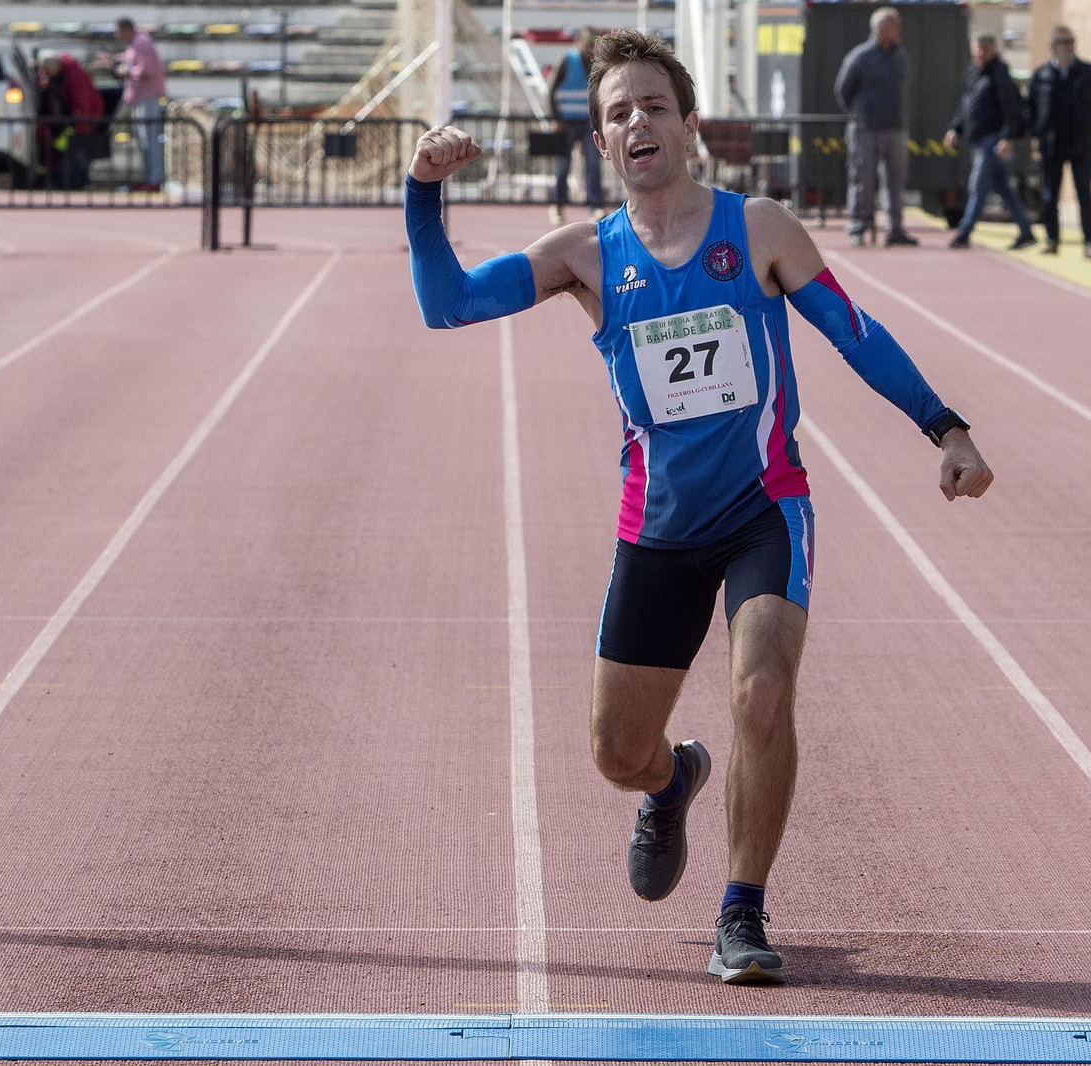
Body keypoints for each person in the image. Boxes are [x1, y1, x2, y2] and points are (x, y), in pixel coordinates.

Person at [405, 29, 993, 985]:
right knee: (615, 753)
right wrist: (423, 189)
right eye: (619, 112)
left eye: (654, 105)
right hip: (660, 530)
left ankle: (743, 912)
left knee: (762, 688)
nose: (639, 121)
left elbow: (857, 333)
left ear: (688, 125)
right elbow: (446, 305)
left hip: (766, 509)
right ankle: (674, 779)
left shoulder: (757, 229)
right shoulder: (584, 257)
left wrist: (946, 427)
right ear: (602, 143)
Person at [1027, 25, 1091, 259]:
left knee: (1085, 194)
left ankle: (1090, 242)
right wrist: (1037, 131)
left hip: (1081, 144)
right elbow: (1030, 107)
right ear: (1052, 46)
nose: (1066, 46)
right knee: (1049, 195)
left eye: (1070, 41)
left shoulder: (1088, 72)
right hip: (1052, 144)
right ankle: (1052, 239)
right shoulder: (1042, 74)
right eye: (1061, 42)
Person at [833, 8, 916, 248]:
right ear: (880, 29)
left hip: (895, 127)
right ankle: (860, 226)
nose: (897, 32)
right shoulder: (860, 56)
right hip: (865, 128)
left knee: (896, 181)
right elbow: (843, 90)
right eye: (893, 27)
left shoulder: (901, 55)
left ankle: (895, 229)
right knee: (862, 180)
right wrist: (861, 114)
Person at [945, 34, 1036, 251]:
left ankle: (964, 232)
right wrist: (955, 128)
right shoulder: (973, 73)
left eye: (985, 48)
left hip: (994, 140)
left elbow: (1011, 108)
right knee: (1004, 188)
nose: (980, 53)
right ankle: (1026, 231)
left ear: (994, 50)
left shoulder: (1000, 73)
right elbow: (966, 105)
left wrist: (1007, 138)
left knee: (978, 186)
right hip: (978, 140)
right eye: (977, 48)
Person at [547, 28, 605, 225]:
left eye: (593, 42)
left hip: (589, 123)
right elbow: (551, 90)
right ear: (579, 41)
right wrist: (555, 118)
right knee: (563, 166)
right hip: (566, 122)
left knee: (593, 165)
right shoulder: (567, 60)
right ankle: (557, 205)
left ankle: (595, 205)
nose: (589, 46)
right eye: (587, 41)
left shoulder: (598, 64)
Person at [110, 17, 168, 192]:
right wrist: (115, 60)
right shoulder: (135, 44)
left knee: (150, 139)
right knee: (144, 141)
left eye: (118, 30)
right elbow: (131, 60)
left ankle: (155, 180)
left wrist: (124, 70)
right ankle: (149, 178)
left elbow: (145, 70)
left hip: (147, 97)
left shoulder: (142, 43)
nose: (116, 34)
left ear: (125, 29)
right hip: (140, 98)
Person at [36, 50, 105, 191]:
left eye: (47, 69)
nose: (45, 73)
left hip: (82, 124)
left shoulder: (75, 76)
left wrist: (78, 127)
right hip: (66, 124)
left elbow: (82, 105)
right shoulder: (52, 76)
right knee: (64, 158)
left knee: (78, 159)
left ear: (55, 65)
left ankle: (77, 184)